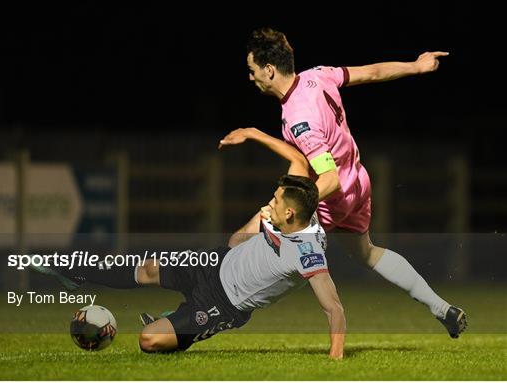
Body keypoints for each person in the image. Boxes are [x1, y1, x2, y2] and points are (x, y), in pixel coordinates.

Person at [218, 27, 466, 338]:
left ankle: (212, 312)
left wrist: (287, 213)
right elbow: (372, 73)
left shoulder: (300, 119)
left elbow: (329, 179)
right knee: (366, 253)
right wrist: (416, 66)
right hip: (358, 182)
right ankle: (441, 307)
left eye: (252, 70)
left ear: (269, 70)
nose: (250, 77)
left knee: (242, 242)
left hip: (333, 198)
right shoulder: (318, 75)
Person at [30, 172, 346, 359]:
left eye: (277, 201)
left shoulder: (307, 254)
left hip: (222, 305)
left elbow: (333, 308)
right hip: (213, 263)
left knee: (149, 340)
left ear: (291, 214)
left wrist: (335, 357)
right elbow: (236, 242)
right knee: (149, 269)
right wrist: (259, 218)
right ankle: (74, 271)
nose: (271, 202)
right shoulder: (295, 214)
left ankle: (173, 321)